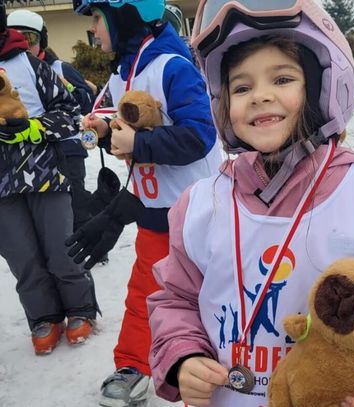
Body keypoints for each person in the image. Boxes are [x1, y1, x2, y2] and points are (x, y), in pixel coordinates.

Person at [147, 1, 354, 407]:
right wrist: (183, 356)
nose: (260, 96)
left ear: (321, 87)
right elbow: (176, 299)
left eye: (282, 79)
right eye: (241, 88)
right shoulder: (199, 206)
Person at [70, 0, 222, 405]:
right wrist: (108, 131)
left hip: (199, 215)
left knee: (205, 298)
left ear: (125, 14)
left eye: (97, 18)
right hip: (152, 211)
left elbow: (199, 135)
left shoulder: (172, 66)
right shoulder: (123, 73)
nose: (93, 29)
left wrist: (138, 142)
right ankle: (134, 366)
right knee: (145, 295)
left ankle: (213, 368)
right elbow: (133, 133)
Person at [0, 0, 99, 355]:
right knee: (22, 256)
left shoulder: (27, 63)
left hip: (44, 172)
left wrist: (34, 128)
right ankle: (44, 316)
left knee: (61, 248)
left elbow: (70, 111)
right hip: (1, 186)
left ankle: (80, 308)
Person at [7, 9, 96, 232]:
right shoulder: (6, 72)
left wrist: (70, 88)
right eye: (16, 36)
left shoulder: (58, 68)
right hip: (30, 157)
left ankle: (85, 244)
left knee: (76, 207)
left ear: (42, 40)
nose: (23, 44)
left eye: (30, 38)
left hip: (67, 147)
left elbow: (87, 102)